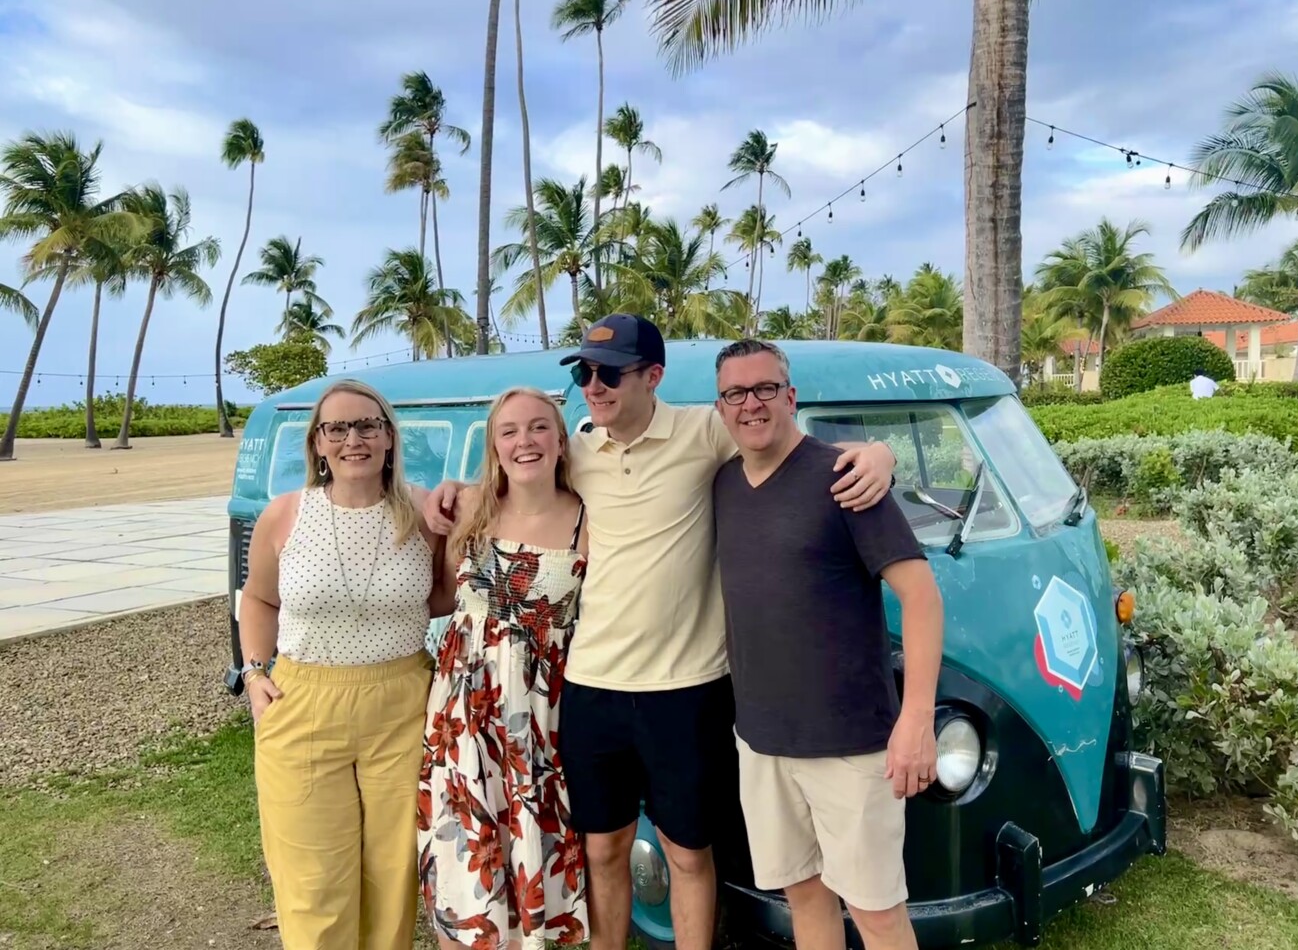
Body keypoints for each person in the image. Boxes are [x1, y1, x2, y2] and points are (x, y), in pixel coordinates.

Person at [424, 314, 898, 950]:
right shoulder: (579, 450)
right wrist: (452, 489)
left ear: (653, 376)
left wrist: (879, 454)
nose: (594, 386)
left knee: (689, 853)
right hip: (591, 688)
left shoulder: (707, 430)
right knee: (602, 849)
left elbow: (787, 443)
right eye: (584, 373)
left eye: (609, 373)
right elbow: (519, 477)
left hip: (688, 690)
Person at [710, 339, 944, 950]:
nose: (752, 404)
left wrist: (917, 718)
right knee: (804, 898)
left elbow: (921, 597)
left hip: (851, 745)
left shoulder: (845, 478)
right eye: (736, 393)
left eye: (765, 388)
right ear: (721, 407)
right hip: (762, 742)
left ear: (790, 396)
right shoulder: (724, 484)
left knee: (877, 914)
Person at [237, 378, 453, 950]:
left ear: (389, 437)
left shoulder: (423, 514)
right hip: (303, 703)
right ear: (317, 442)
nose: (353, 439)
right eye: (337, 428)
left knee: (392, 873)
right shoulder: (285, 516)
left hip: (402, 704)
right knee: (312, 880)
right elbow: (258, 599)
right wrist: (254, 674)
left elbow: (440, 597)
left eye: (367, 425)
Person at [418, 387, 591, 950]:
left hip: (540, 718)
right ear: (494, 445)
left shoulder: (587, 518)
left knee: (527, 846)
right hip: (464, 713)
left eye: (539, 427)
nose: (525, 441)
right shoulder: (469, 507)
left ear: (560, 440)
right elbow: (439, 597)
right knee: (463, 854)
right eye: (509, 431)